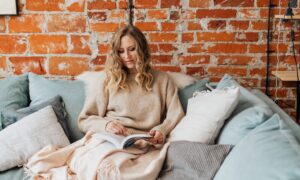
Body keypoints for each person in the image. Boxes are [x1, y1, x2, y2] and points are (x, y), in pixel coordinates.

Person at [78, 25, 184, 145]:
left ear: (142, 49)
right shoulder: (107, 79)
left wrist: (162, 129)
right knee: (108, 161)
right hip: (109, 138)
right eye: (121, 51)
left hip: (144, 142)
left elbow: (176, 114)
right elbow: (84, 120)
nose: (127, 56)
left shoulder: (163, 80)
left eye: (132, 49)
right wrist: (106, 125)